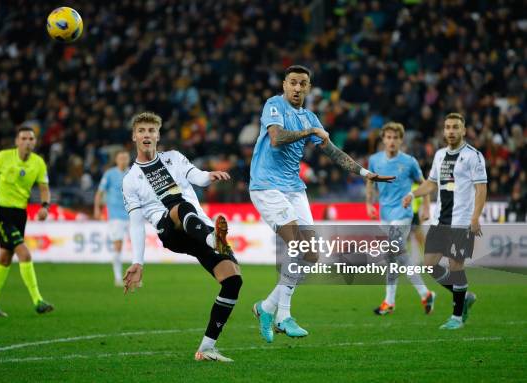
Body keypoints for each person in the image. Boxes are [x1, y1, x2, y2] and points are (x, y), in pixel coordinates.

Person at [250, 65, 395, 343]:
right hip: (267, 186)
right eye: (292, 82)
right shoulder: (274, 105)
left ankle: (265, 308)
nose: (296, 88)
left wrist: (366, 173)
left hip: (294, 189)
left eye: (302, 84)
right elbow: (276, 137)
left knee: (312, 254)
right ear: (284, 84)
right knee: (298, 245)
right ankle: (283, 315)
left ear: (308, 88)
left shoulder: (309, 117)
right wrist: (308, 132)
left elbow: (333, 151)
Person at [121, 112, 242, 362]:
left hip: (198, 228)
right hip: (170, 230)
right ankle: (212, 240)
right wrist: (138, 261)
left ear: (158, 135)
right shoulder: (131, 179)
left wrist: (209, 176)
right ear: (134, 136)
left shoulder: (174, 158)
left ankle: (207, 348)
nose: (147, 135)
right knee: (179, 205)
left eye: (151, 131)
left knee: (232, 281)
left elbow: (196, 176)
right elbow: (135, 224)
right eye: (142, 130)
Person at [403, 113, 487, 329]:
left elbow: (481, 188)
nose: (451, 131)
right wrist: (414, 195)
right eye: (448, 127)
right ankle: (465, 295)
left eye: (455, 127)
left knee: (455, 267)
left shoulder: (473, 156)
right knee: (430, 265)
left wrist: (475, 217)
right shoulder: (440, 155)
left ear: (463, 130)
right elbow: (431, 183)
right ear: (443, 131)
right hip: (441, 220)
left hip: (461, 221)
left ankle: (457, 317)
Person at [0, 126, 54, 317]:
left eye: (31, 139)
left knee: (5, 257)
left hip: (20, 215)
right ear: (17, 141)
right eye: (24, 138)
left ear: (35, 142)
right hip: (0, 213)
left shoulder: (38, 163)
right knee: (24, 254)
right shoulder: (1, 157)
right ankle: (38, 301)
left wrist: (45, 206)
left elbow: (44, 187)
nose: (28, 142)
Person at [366, 122, 435, 316]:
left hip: (403, 214)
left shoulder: (409, 162)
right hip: (385, 215)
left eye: (395, 138)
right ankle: (425, 293)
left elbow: (425, 185)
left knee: (392, 254)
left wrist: (426, 206)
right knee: (398, 257)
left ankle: (389, 301)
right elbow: (370, 181)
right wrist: (369, 204)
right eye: (388, 137)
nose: (392, 141)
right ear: (383, 140)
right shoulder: (375, 160)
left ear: (401, 140)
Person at [94, 149, 131, 286]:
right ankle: (117, 277)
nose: (123, 160)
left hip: (133, 215)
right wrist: (97, 208)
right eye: (121, 158)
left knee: (138, 246)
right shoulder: (109, 174)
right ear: (116, 160)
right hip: (116, 216)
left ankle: (136, 277)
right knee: (118, 245)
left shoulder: (134, 173)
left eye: (125, 157)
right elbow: (100, 192)